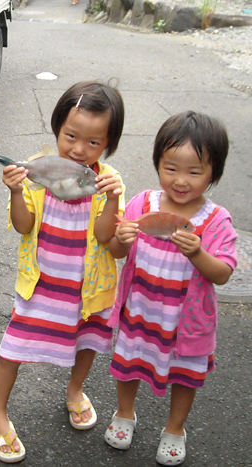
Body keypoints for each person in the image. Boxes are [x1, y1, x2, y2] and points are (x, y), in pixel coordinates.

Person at [0, 81, 126, 462]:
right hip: (42, 287)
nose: (79, 149)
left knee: (86, 342)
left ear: (108, 145)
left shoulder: (106, 181)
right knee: (12, 349)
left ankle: (74, 390)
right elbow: (23, 225)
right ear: (57, 129)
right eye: (70, 136)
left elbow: (104, 236)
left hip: (87, 290)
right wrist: (17, 191)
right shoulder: (38, 170)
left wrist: (113, 197)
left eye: (94, 142)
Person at [104, 111, 237, 466]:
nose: (180, 181)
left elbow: (222, 273)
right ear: (157, 163)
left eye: (194, 172)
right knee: (128, 363)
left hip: (186, 322)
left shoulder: (215, 219)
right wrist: (122, 238)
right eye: (170, 168)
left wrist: (198, 253)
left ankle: (175, 428)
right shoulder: (142, 204)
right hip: (140, 310)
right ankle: (124, 412)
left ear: (213, 173)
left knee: (185, 376)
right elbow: (117, 252)